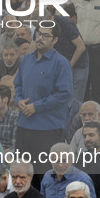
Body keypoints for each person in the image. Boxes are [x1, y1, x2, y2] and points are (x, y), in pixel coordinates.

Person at [14, 25, 73, 162]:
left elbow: (64, 93)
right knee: (21, 172)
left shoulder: (61, 63)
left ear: (55, 40)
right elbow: (17, 85)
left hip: (48, 128)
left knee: (43, 173)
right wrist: (18, 100)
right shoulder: (27, 59)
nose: (40, 38)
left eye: (46, 36)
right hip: (24, 125)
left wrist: (36, 107)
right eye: (39, 34)